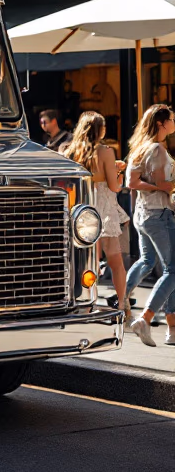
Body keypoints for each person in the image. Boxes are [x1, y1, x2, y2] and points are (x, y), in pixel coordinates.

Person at [64, 112, 130, 319]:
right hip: (103, 207)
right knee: (116, 261)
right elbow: (114, 186)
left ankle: (81, 299)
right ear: (100, 130)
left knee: (82, 260)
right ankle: (122, 304)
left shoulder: (68, 151)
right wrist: (118, 172)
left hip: (80, 208)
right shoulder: (106, 152)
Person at [124, 104, 175, 347]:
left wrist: (158, 186)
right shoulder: (156, 149)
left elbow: (131, 182)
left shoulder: (140, 148)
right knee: (172, 271)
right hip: (159, 214)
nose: (174, 122)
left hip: (143, 215)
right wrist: (164, 187)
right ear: (160, 124)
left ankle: (123, 299)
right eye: (171, 119)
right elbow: (163, 184)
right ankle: (146, 318)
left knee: (153, 263)